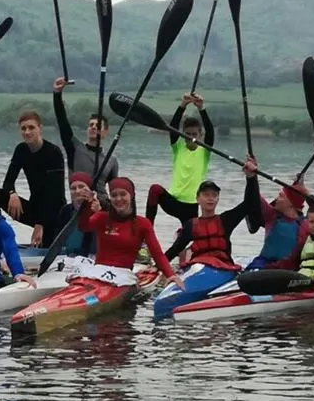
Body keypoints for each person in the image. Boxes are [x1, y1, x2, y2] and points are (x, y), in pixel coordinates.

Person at [159, 158, 262, 307]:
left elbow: (249, 203)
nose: (210, 198)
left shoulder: (226, 220)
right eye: (206, 194)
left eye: (214, 195)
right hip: (199, 267)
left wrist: (251, 178)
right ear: (198, 198)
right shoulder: (191, 225)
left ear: (218, 199)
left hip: (222, 268)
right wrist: (157, 266)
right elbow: (176, 249)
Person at [75, 177, 178, 288]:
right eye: (114, 195)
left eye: (123, 194)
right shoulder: (101, 217)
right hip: (97, 271)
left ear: (131, 195)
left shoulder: (142, 224)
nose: (118, 199)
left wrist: (171, 275)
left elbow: (157, 254)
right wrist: (86, 204)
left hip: (122, 276)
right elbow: (83, 226)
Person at [0, 110, 68, 247]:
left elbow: (55, 194)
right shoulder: (21, 150)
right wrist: (12, 194)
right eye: (23, 128)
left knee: (47, 246)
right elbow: (8, 182)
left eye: (31, 127)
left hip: (54, 212)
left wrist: (40, 224)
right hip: (34, 208)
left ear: (39, 129)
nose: (27, 132)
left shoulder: (53, 152)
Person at [145, 93, 214, 227]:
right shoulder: (178, 147)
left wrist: (201, 108)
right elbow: (173, 126)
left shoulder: (205, 151)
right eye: (187, 134)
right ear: (183, 134)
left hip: (191, 205)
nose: (191, 137)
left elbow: (210, 132)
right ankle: (147, 233)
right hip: (174, 201)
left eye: (195, 134)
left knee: (189, 241)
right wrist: (182, 105)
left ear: (200, 135)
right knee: (155, 189)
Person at [51, 77, 119, 194]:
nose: (93, 127)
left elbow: (115, 191)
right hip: (79, 205)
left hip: (102, 206)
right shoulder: (74, 148)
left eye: (97, 126)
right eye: (91, 125)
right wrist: (57, 94)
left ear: (105, 132)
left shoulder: (111, 160)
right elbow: (62, 122)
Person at [245, 177, 310, 270]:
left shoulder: (306, 224)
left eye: (280, 196)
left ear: (291, 203)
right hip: (264, 264)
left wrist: (307, 195)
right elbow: (255, 198)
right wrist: (251, 178)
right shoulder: (271, 216)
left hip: (288, 268)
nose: (276, 199)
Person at [51, 172, 99, 270]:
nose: (77, 191)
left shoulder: (102, 208)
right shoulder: (66, 210)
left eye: (81, 187)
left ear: (90, 190)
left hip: (94, 257)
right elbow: (58, 239)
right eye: (73, 188)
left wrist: (98, 214)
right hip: (70, 257)